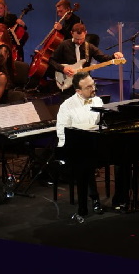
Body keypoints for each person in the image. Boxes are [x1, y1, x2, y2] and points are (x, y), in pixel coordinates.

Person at [55, 71, 105, 221]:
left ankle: (120, 201)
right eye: (88, 87)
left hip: (94, 145)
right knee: (84, 163)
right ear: (78, 91)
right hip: (74, 149)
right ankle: (91, 201)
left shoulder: (98, 101)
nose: (93, 89)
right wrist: (67, 151)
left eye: (93, 84)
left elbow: (101, 124)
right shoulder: (67, 106)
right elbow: (61, 132)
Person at [48, 23, 123, 95]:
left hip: (84, 86)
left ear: (85, 33)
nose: (79, 41)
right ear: (72, 33)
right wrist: (63, 69)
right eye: (76, 39)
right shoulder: (64, 45)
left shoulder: (89, 47)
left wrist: (114, 56)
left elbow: (103, 58)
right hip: (67, 86)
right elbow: (51, 60)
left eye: (81, 39)